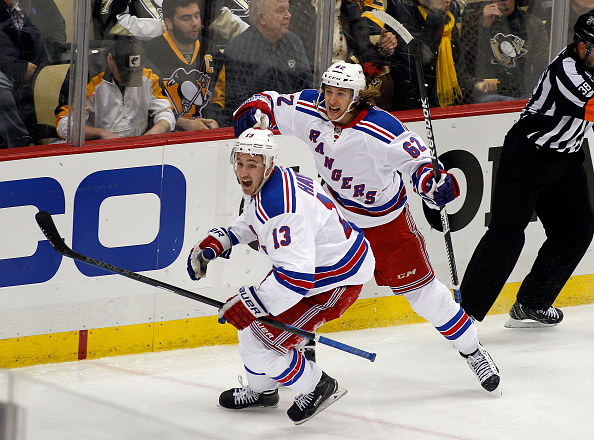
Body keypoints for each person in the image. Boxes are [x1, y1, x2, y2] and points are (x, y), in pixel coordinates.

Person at [233, 61, 501, 392]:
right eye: (328, 91)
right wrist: (254, 109)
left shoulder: (383, 131)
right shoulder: (310, 110)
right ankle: (289, 356)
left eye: (341, 94)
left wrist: (435, 185)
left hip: (386, 227)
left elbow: (420, 167)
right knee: (300, 285)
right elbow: (270, 105)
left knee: (425, 297)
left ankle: (473, 350)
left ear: (358, 96)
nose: (331, 101)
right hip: (333, 223)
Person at [186, 128, 376, 424]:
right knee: (252, 332)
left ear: (268, 164)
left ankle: (318, 386)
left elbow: (297, 280)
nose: (244, 172)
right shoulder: (272, 182)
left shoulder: (283, 207)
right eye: (240, 163)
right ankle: (263, 392)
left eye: (252, 164)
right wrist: (220, 241)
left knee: (261, 343)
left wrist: (250, 304)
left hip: (333, 281)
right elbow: (254, 217)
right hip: (313, 272)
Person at [459, 11, 594, 327]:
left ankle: (533, 301)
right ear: (583, 46)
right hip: (528, 156)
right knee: (507, 234)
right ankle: (462, 315)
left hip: (568, 158)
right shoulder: (567, 71)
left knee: (576, 231)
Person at [55, 37, 176, 140]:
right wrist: (102, 133)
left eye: (135, 74)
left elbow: (166, 112)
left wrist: (153, 134)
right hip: (96, 146)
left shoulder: (150, 73)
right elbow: (64, 125)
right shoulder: (86, 74)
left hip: (139, 143)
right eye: (124, 73)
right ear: (110, 59)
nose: (129, 80)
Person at [222, 0, 313, 117]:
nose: (288, 15)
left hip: (293, 122)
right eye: (280, 11)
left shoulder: (294, 42)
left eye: (288, 9)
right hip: (257, 126)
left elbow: (307, 88)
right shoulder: (238, 48)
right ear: (262, 18)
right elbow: (239, 103)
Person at [144, 0, 225, 130]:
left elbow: (220, 98)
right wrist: (184, 123)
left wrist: (214, 120)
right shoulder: (150, 53)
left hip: (207, 135)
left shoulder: (211, 49)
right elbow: (146, 106)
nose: (194, 23)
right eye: (186, 18)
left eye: (197, 16)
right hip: (166, 139)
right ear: (169, 23)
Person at [458, 0, 549, 103]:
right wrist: (484, 26)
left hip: (522, 92)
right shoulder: (473, 19)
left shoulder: (532, 23)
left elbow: (542, 66)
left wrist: (529, 88)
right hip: (486, 93)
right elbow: (466, 64)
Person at [387, 0, 463, 110]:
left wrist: (475, 84)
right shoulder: (405, 14)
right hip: (414, 101)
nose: (448, 1)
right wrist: (436, 14)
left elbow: (460, 67)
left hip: (448, 99)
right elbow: (422, 56)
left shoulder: (449, 21)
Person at [0, 0, 52, 148]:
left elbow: (38, 42)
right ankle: (20, 143)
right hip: (8, 73)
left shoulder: (22, 11)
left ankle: (54, 139)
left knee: (59, 78)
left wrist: (41, 71)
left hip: (24, 76)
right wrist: (19, 70)